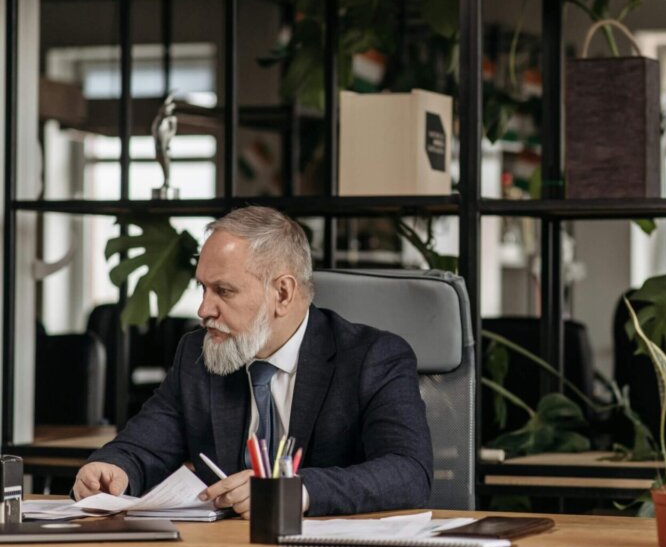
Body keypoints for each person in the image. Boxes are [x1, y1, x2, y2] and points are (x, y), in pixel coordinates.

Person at [72, 207, 432, 518]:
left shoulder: (373, 357)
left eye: (224, 291)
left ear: (282, 293)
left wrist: (290, 491)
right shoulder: (197, 354)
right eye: (203, 289)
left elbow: (408, 472)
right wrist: (112, 467)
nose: (203, 310)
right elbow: (143, 446)